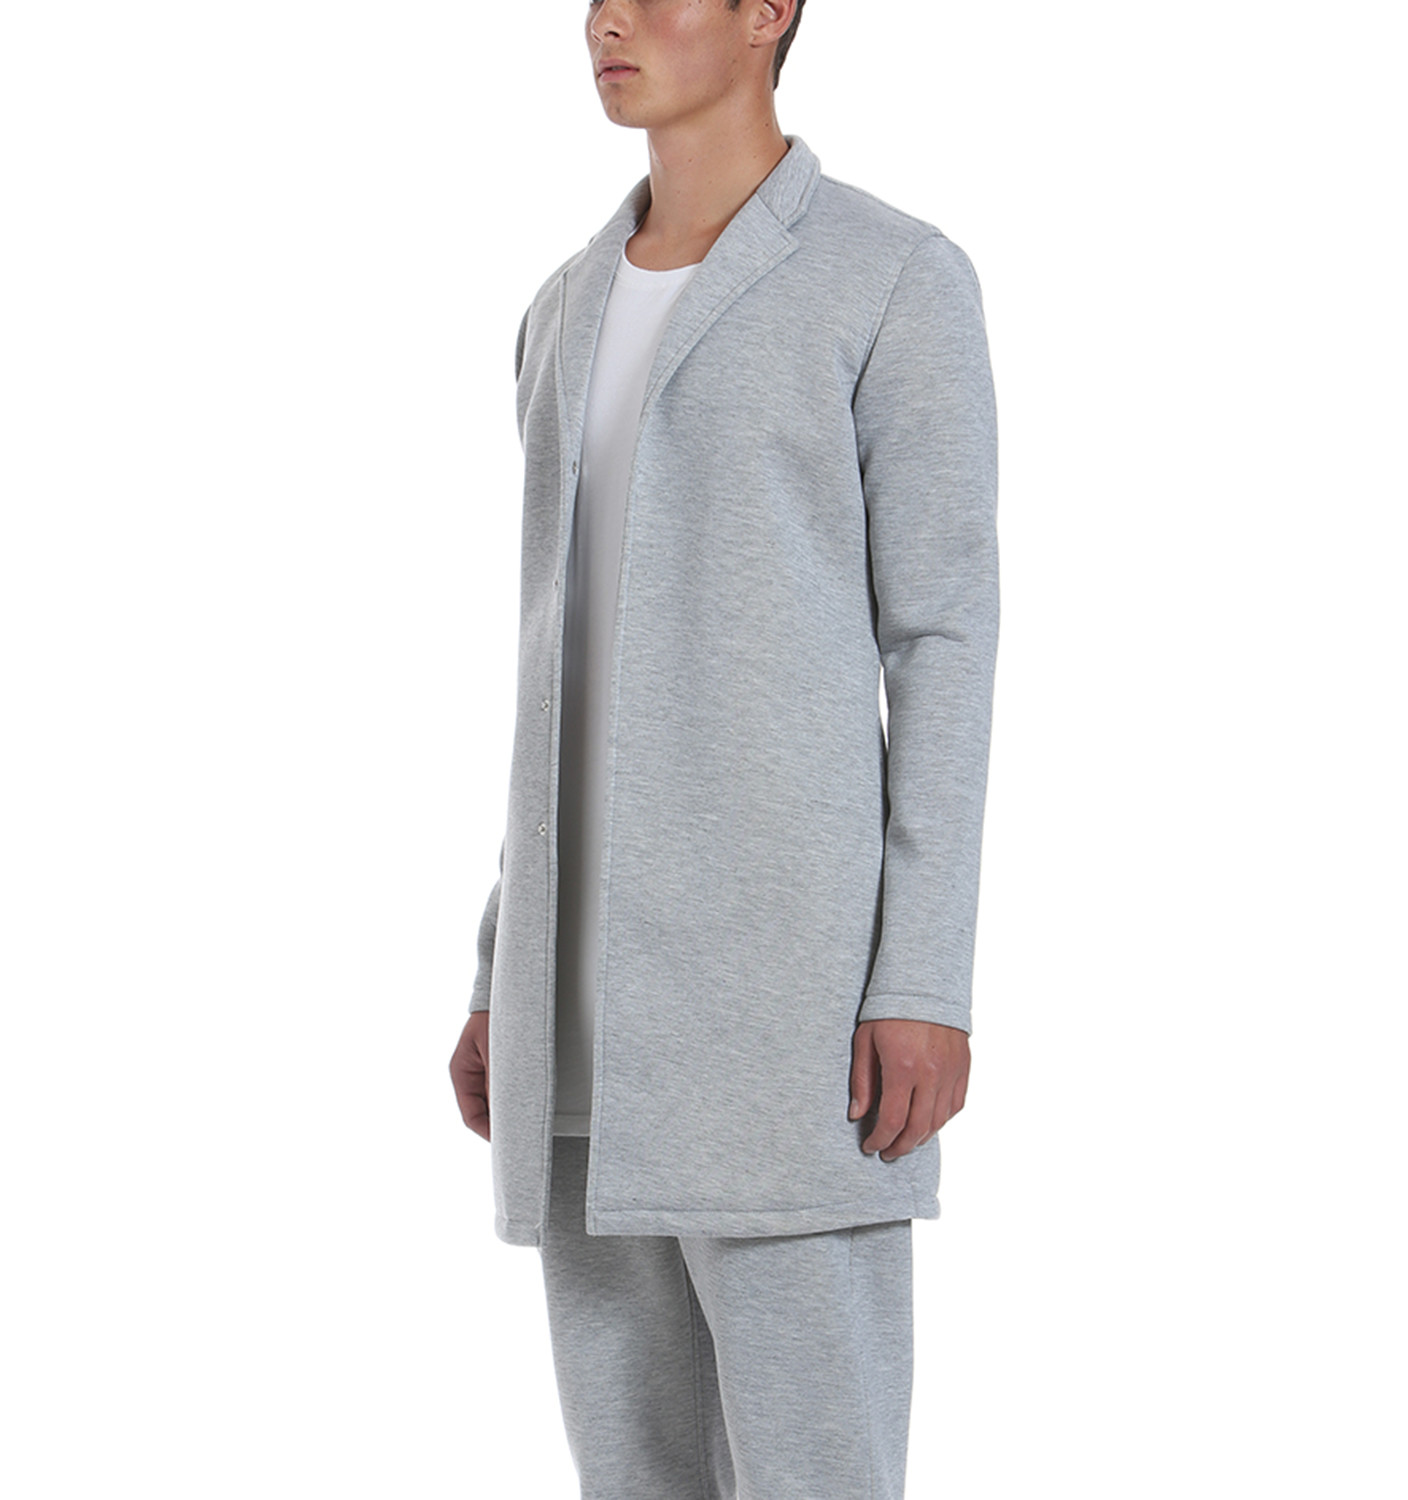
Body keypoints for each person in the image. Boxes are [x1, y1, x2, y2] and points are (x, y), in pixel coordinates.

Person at [449, 2, 999, 1494]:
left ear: (769, 13)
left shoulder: (891, 278)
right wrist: (503, 965)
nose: (607, 18)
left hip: (787, 1012)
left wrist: (923, 978)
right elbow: (561, 661)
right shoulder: (563, 307)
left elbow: (943, 641)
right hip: (581, 1020)